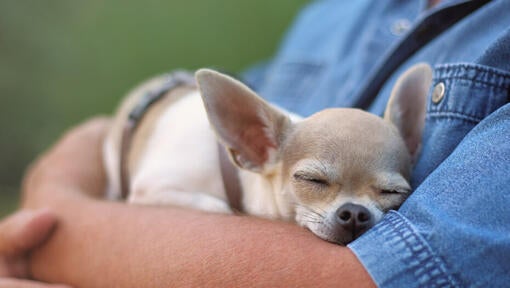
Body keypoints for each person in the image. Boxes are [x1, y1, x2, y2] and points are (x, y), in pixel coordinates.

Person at [3, 0, 510, 286]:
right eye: (315, 181)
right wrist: (73, 162)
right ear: (248, 140)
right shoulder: (336, 13)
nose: (355, 213)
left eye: (388, 194)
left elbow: (357, 280)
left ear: (411, 140)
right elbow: (151, 116)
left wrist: (60, 217)